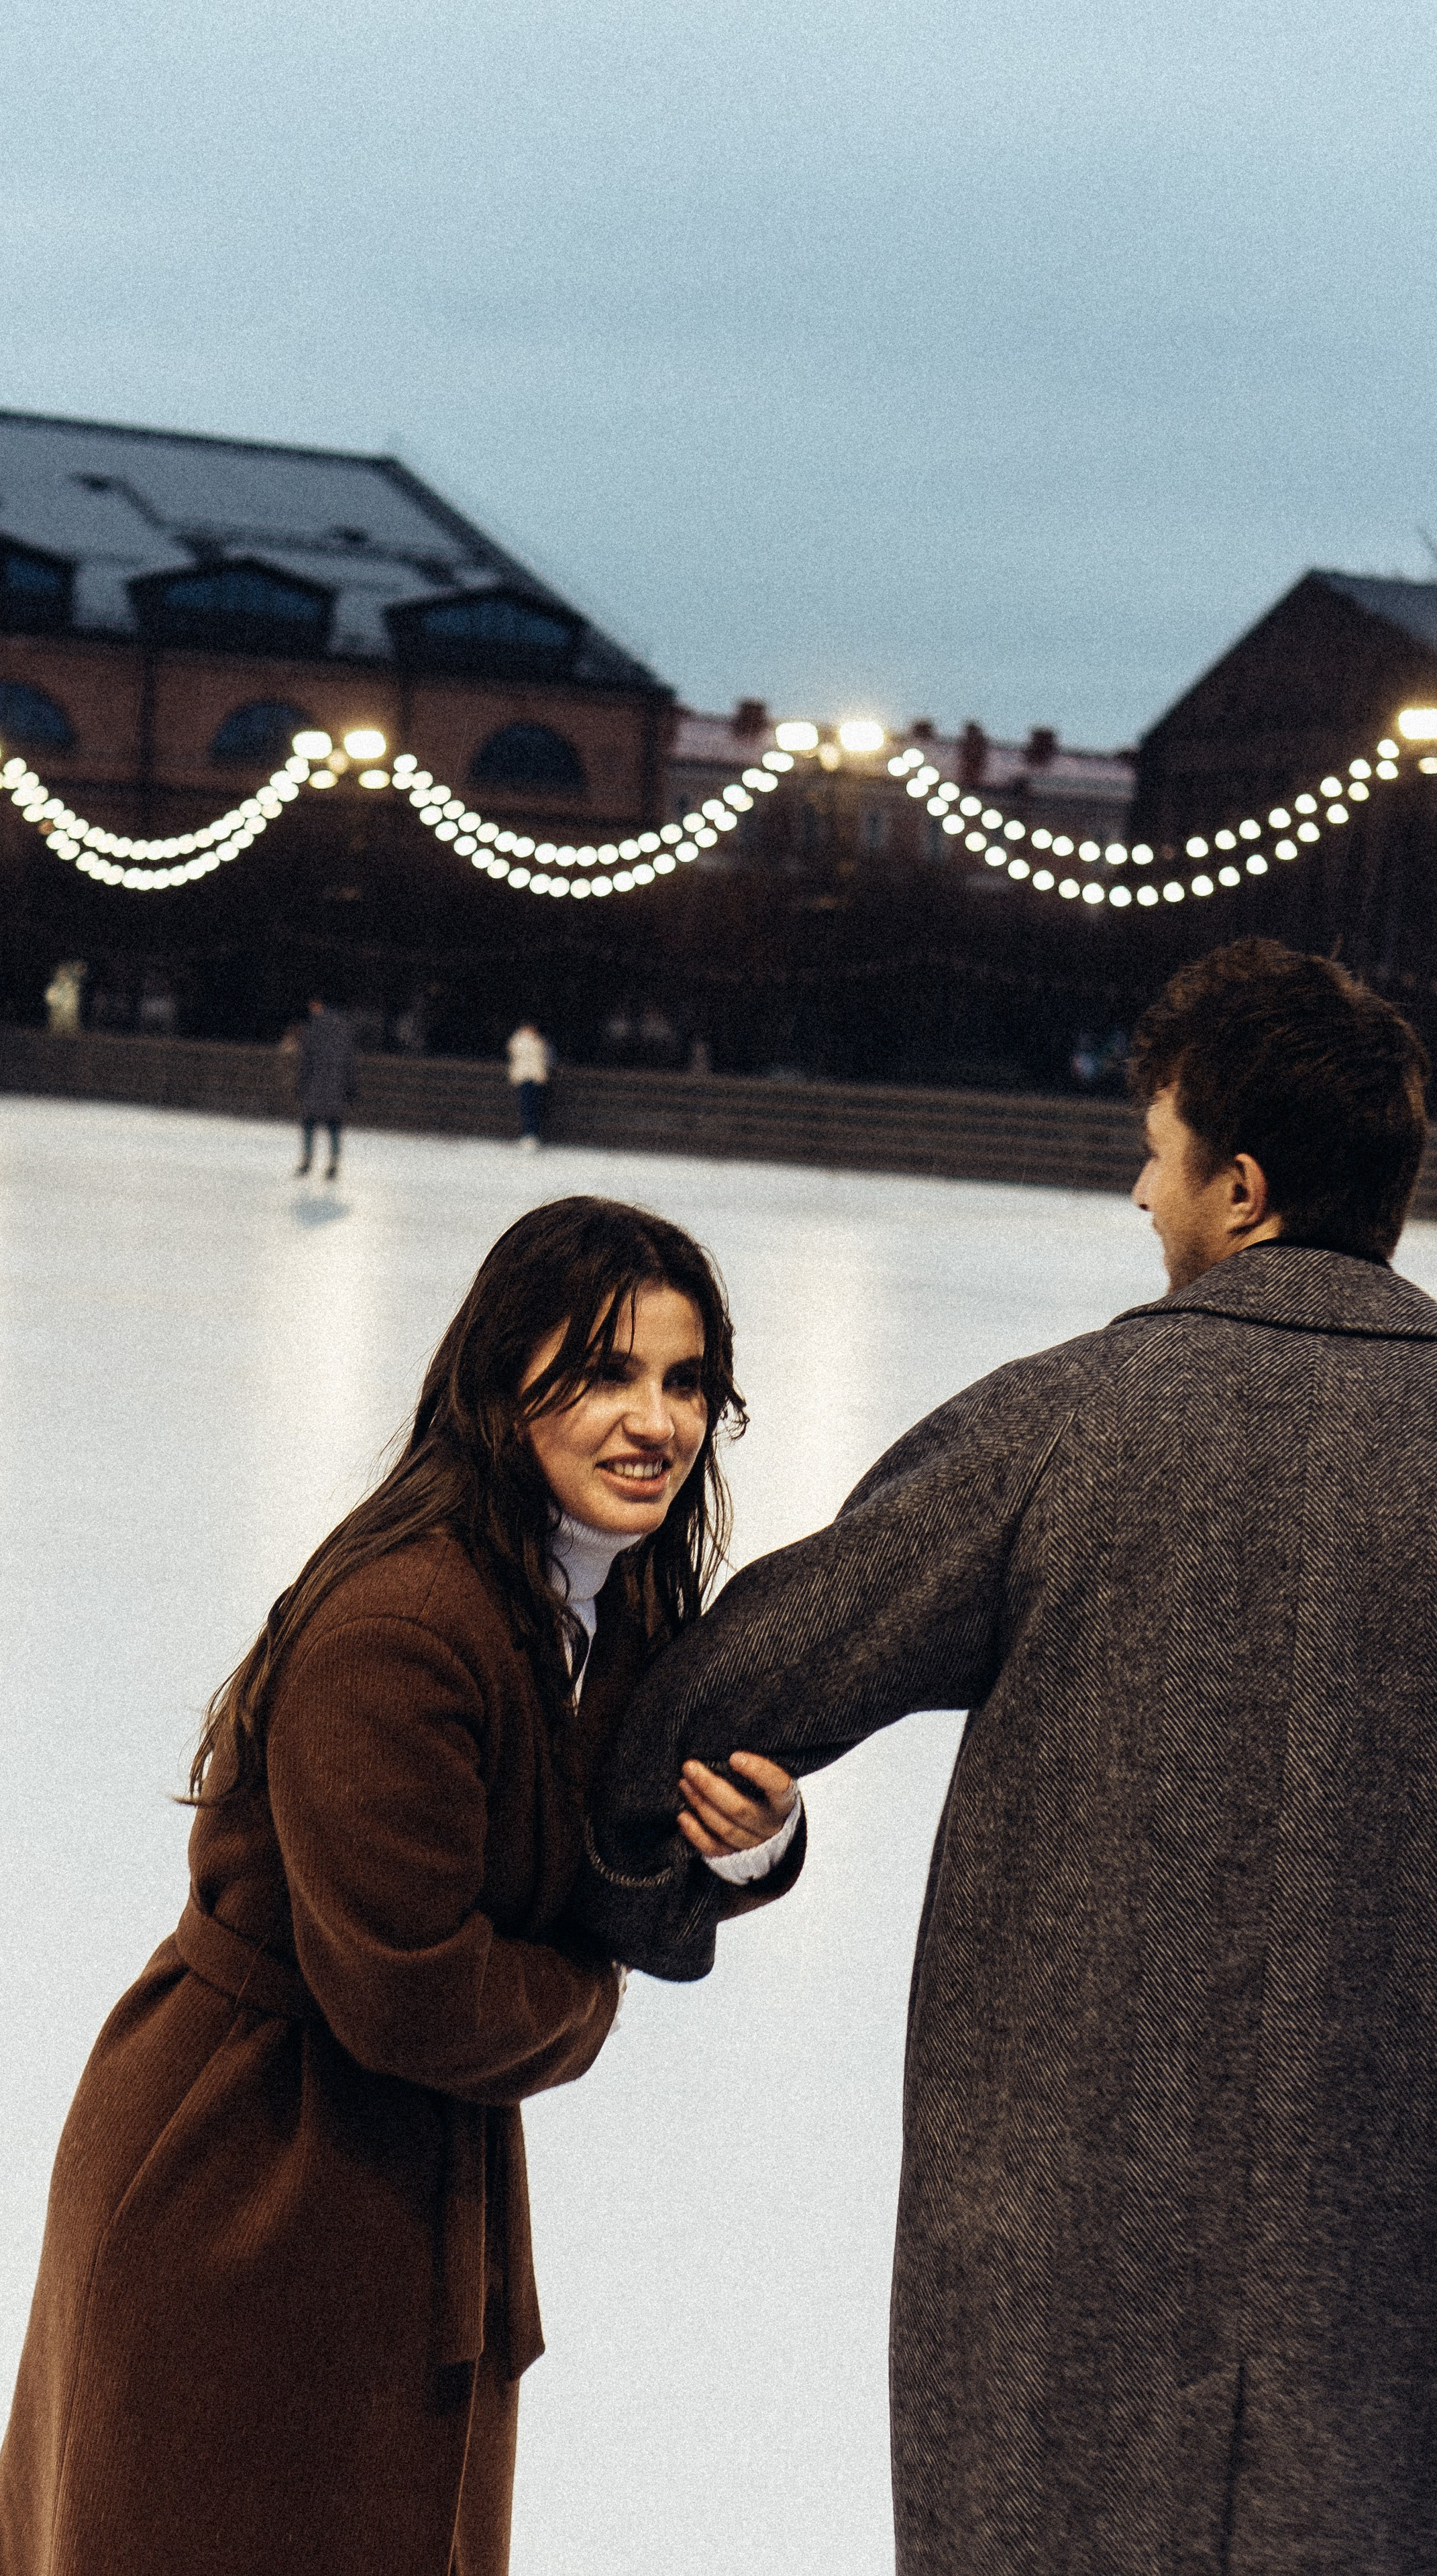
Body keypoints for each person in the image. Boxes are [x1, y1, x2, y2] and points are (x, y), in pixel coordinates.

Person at [576, 939, 1437, 2573]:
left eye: (1157, 1150)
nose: (1135, 1189)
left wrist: (663, 1854)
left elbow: (729, 1690)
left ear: (1237, 1189)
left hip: (1072, 2280)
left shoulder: (1065, 1424)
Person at [0, 1196, 801, 2576]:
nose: (654, 1420)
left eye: (682, 1381)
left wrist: (747, 1846)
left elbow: (619, 1860)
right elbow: (416, 1996)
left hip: (400, 2183)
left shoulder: (619, 1608)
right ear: (499, 1386)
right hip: (246, 2175)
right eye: (603, 1373)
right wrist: (591, 1986)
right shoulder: (402, 1628)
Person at [294, 994, 357, 1179]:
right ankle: (334, 1162)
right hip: (336, 1085)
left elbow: (306, 1061)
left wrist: (301, 1084)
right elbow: (349, 1062)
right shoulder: (344, 1029)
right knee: (334, 1125)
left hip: (315, 1084)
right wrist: (351, 1087)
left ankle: (307, 1159)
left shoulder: (313, 1028)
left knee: (309, 1123)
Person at [506, 1016, 550, 1149]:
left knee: (534, 1106)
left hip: (535, 1077)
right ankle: (529, 1134)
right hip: (524, 1076)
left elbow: (543, 1059)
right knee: (527, 1106)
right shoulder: (519, 1041)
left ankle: (532, 1135)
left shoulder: (538, 1041)